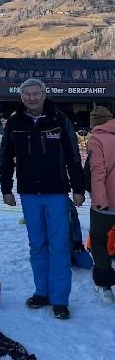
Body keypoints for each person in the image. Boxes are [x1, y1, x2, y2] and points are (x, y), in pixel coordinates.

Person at [0, 78, 85, 320]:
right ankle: (42, 292)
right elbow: (6, 158)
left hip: (56, 192)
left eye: (36, 93)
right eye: (27, 94)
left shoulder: (59, 119)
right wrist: (6, 189)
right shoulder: (15, 122)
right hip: (29, 193)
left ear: (44, 94)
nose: (32, 98)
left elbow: (73, 155)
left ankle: (60, 299)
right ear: (21, 96)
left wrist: (78, 188)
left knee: (59, 246)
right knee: (37, 245)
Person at [87, 106, 115, 302]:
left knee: (98, 240)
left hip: (106, 203)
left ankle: (105, 286)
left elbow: (98, 172)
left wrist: (99, 201)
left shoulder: (96, 139)